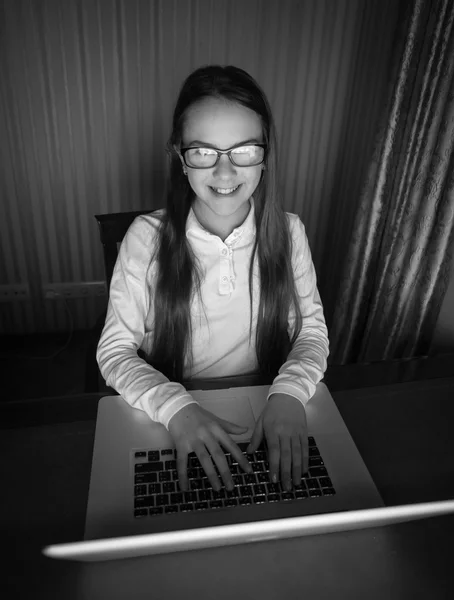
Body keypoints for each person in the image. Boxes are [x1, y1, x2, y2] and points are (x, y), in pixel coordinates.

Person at [96, 64, 329, 498]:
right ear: (179, 156)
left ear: (265, 155)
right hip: (171, 417)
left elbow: (311, 331)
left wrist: (292, 392)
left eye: (243, 150)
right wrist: (177, 408)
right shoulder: (146, 238)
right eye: (204, 151)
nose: (224, 174)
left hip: (269, 409)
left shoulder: (289, 231)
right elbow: (113, 350)